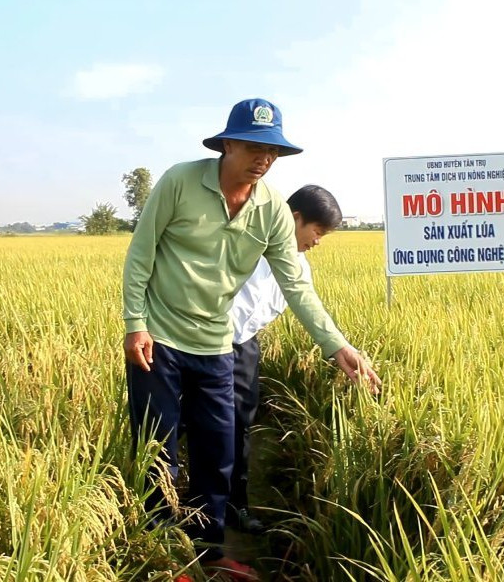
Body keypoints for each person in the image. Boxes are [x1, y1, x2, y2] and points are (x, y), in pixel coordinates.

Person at [122, 98, 380, 580]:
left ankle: (209, 549)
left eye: (274, 151)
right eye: (256, 146)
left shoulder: (272, 213)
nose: (265, 158)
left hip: (217, 344)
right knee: (157, 447)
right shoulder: (180, 181)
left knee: (217, 452)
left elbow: (296, 284)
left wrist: (337, 345)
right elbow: (141, 254)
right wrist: (134, 323)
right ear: (228, 143)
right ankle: (158, 551)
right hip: (159, 338)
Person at [226, 184, 344, 535]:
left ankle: (235, 507)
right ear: (294, 218)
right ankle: (180, 509)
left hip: (244, 345)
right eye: (317, 232)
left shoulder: (299, 268)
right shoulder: (243, 243)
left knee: (239, 427)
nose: (318, 241)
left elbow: (309, 308)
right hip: (203, 343)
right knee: (193, 423)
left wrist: (340, 348)